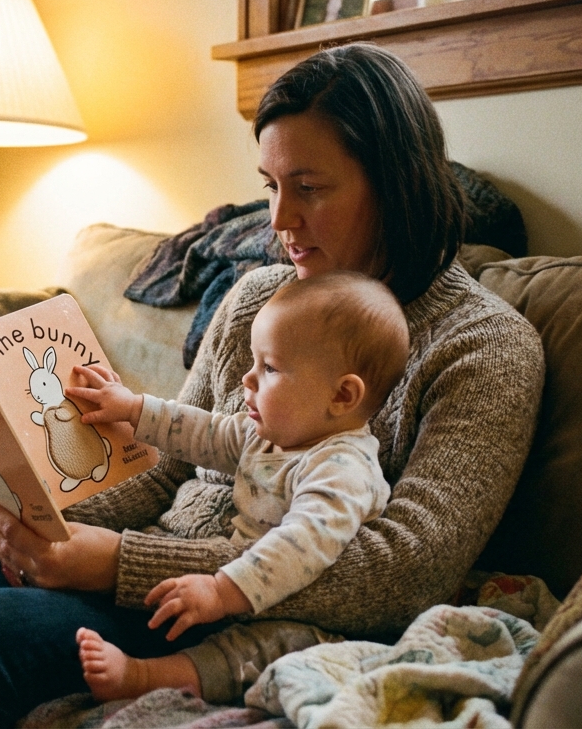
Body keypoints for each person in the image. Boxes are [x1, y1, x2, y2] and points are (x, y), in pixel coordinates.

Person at [0, 42, 545, 728]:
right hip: (153, 563)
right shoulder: (262, 296)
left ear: (396, 185)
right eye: (271, 185)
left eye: (308, 187)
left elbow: (404, 568)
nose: (281, 219)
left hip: (242, 609)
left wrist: (117, 562)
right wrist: (19, 515)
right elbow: (170, 466)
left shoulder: (488, 349)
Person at [69, 270, 410, 701]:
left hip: (309, 616)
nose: (247, 380)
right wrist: (133, 408)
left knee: (263, 650)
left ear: (342, 396)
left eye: (269, 368)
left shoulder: (342, 468)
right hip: (242, 589)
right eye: (253, 362)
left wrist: (220, 589)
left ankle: (140, 677)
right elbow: (201, 432)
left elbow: (303, 541)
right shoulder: (267, 434)